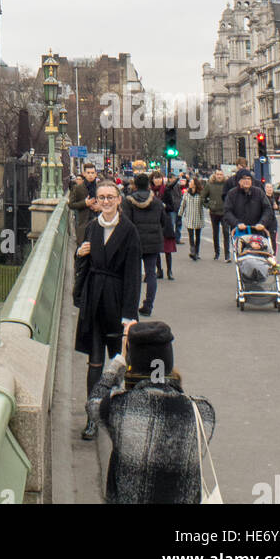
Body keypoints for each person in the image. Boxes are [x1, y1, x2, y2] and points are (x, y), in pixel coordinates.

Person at [86, 320, 217, 504]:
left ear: (134, 362)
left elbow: (94, 401)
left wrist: (120, 360)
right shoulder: (202, 412)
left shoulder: (119, 408)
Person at [73, 178, 142, 438]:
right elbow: (83, 262)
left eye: (110, 197)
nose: (105, 202)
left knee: (117, 364)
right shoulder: (92, 228)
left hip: (116, 302)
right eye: (101, 198)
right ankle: (92, 417)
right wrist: (80, 254)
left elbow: (134, 275)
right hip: (93, 301)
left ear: (118, 199)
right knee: (94, 364)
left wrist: (129, 316)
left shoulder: (129, 231)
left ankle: (115, 415)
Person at [122, 172, 171, 316]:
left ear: (135, 186)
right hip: (153, 242)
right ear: (149, 185)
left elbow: (126, 223)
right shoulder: (156, 202)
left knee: (134, 275)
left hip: (134, 243)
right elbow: (164, 221)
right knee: (151, 274)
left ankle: (133, 305)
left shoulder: (128, 201)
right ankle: (148, 305)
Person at [223, 168, 276, 245]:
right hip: (239, 231)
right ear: (239, 181)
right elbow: (227, 212)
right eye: (244, 178)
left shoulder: (258, 192)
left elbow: (267, 209)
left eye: (249, 178)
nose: (247, 181)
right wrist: (237, 223)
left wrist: (262, 222)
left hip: (257, 230)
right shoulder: (232, 194)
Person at [150, 170, 176, 280]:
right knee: (156, 249)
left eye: (159, 178)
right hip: (154, 221)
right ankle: (159, 270)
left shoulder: (166, 190)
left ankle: (169, 270)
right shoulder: (149, 192)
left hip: (165, 220)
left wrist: (164, 205)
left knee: (167, 248)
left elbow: (172, 207)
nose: (157, 180)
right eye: (155, 178)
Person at [68, 162, 100, 244]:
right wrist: (85, 203)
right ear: (84, 174)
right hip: (84, 226)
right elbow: (71, 204)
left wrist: (100, 207)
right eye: (88, 173)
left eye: (92, 173)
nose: (90, 175)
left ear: (96, 174)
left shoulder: (100, 188)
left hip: (98, 224)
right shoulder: (78, 188)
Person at [202, 169, 230, 262]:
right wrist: (208, 205)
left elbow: (231, 197)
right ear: (215, 175)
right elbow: (203, 197)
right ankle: (217, 253)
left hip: (224, 213)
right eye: (217, 174)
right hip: (214, 213)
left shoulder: (227, 185)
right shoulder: (209, 185)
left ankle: (227, 255)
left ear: (223, 175)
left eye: (221, 174)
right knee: (215, 233)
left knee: (226, 233)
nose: (219, 176)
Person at [182, 176, 205, 259]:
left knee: (198, 236)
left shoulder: (200, 194)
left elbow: (204, 203)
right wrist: (180, 214)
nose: (189, 184)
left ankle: (197, 252)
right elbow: (183, 204)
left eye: (191, 183)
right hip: (189, 217)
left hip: (198, 217)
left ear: (195, 184)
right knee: (191, 235)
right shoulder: (186, 193)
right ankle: (192, 251)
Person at [262, 182, 279, 253]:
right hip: (265, 221)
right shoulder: (263, 198)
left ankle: (273, 255)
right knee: (264, 239)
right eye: (267, 187)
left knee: (273, 239)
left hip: (273, 221)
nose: (269, 189)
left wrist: (276, 206)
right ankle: (265, 254)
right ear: (265, 189)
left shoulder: (273, 197)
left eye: (270, 187)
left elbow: (277, 207)